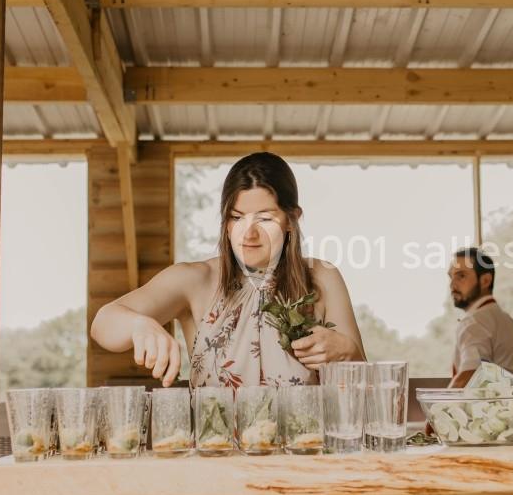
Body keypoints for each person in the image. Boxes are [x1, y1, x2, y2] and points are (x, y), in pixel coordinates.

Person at [91, 152, 365, 386]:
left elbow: (366, 385)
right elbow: (103, 323)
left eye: (265, 218)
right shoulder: (195, 280)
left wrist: (348, 352)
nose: (249, 233)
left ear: (292, 220)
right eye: (236, 218)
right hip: (217, 448)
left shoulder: (322, 277)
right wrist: (140, 324)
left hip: (303, 447)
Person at [447, 247, 513, 387]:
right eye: (451, 276)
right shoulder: (502, 319)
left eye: (461, 276)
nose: (452, 284)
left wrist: (439, 405)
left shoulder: (475, 322)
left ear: (485, 281)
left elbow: (469, 376)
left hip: (502, 406)